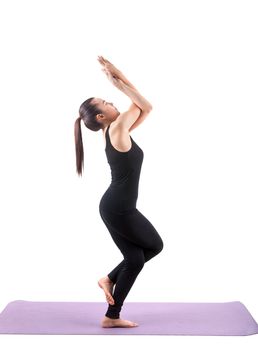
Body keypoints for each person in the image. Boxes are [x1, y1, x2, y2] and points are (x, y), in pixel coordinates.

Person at [74, 56, 164, 328]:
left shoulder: (115, 130)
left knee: (136, 258)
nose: (112, 102)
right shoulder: (117, 128)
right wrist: (117, 81)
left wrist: (119, 75)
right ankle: (111, 290)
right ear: (101, 116)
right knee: (154, 247)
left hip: (116, 207)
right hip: (119, 209)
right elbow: (145, 104)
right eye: (107, 102)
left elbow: (143, 109)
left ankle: (110, 311)